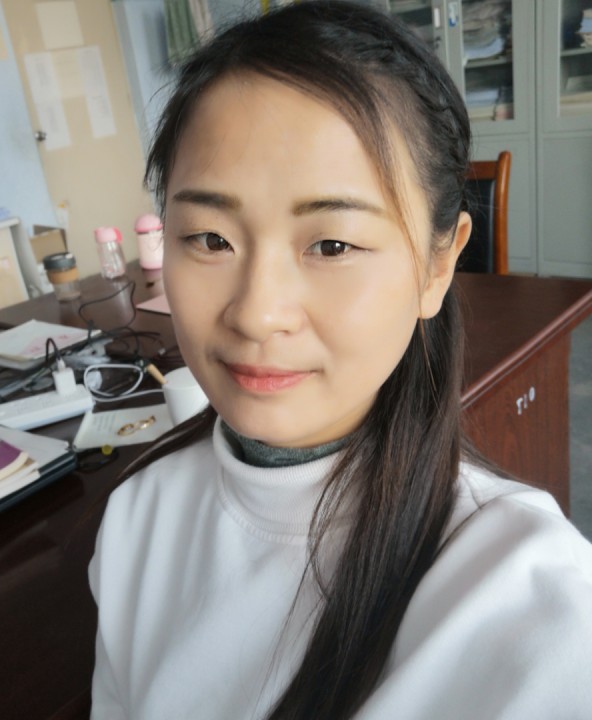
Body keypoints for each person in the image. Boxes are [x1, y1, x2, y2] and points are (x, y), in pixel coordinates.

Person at [88, 2, 592, 718]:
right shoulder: (136, 520)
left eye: (331, 245)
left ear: (437, 266)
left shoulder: (533, 605)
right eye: (209, 238)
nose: (257, 313)